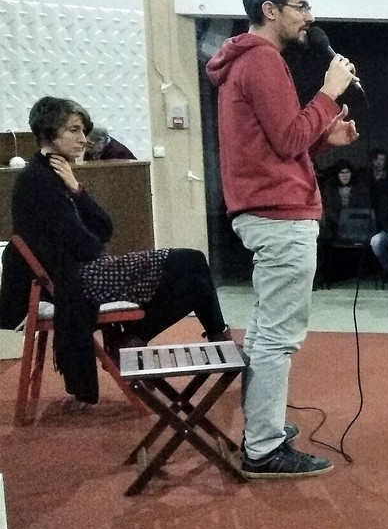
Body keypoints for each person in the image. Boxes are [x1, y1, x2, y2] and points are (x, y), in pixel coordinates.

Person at [206, 0, 358, 478]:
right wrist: (329, 93)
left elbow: (281, 143)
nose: (309, 17)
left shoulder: (245, 61)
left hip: (265, 209)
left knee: (266, 332)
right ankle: (264, 447)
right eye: (302, 5)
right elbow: (289, 138)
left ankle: (263, 425)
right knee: (276, 336)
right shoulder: (262, 60)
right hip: (280, 216)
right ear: (270, 9)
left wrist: (324, 137)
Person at [0, 97, 231, 406]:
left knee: (195, 276)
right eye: (74, 130)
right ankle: (209, 339)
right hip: (74, 281)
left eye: (83, 131)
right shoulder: (38, 180)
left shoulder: (56, 174)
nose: (83, 139)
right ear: (50, 132)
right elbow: (87, 246)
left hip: (84, 271)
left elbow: (104, 229)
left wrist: (77, 189)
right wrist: (93, 241)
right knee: (192, 262)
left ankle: (138, 338)